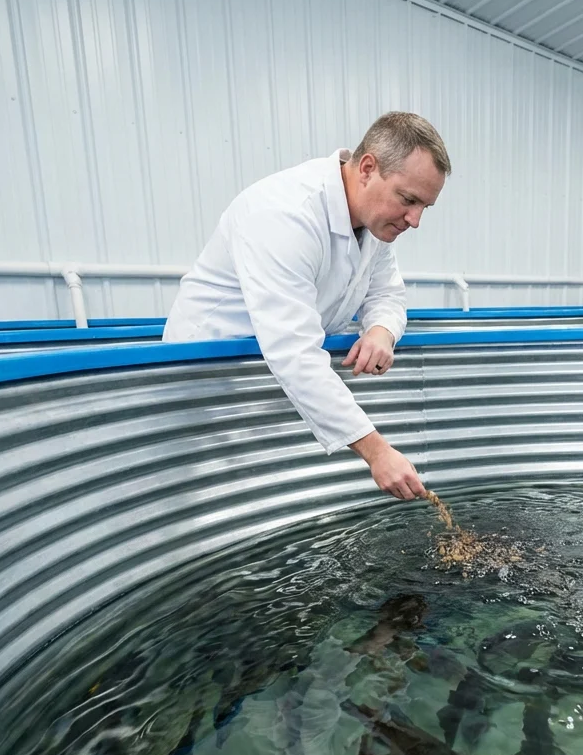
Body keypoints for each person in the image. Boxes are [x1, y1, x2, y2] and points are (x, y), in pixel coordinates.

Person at [163, 112, 450, 501]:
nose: (414, 220)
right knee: (208, 500)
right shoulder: (283, 214)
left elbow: (387, 294)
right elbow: (294, 351)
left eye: (424, 208)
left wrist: (381, 330)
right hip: (206, 382)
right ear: (368, 168)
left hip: (271, 378)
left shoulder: (376, 224)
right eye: (408, 200)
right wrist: (378, 453)